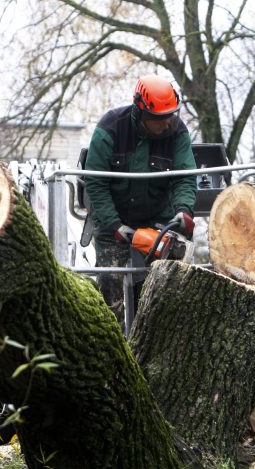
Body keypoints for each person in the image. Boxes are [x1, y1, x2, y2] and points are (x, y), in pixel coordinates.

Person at [83, 74, 197, 324]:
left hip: (159, 219)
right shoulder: (111, 128)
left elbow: (185, 178)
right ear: (140, 111)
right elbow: (95, 182)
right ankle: (112, 349)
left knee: (164, 295)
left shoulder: (176, 131)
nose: (166, 124)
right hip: (114, 220)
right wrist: (115, 225)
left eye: (170, 116)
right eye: (159, 120)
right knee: (110, 295)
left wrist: (183, 210)